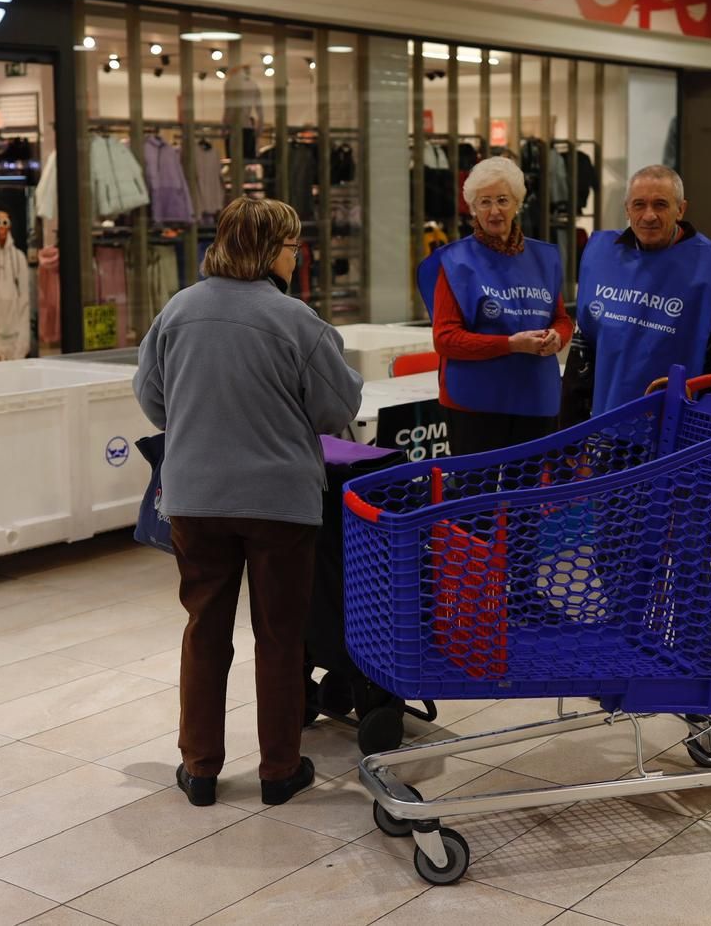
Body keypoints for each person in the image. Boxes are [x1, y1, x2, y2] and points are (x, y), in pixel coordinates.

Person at [133, 196, 363, 809]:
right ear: (269, 251)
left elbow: (150, 396)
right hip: (278, 503)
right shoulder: (297, 321)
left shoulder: (177, 312)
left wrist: (199, 421)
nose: (297, 257)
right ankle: (279, 769)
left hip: (195, 499)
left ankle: (200, 768)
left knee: (204, 628)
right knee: (281, 635)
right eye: (292, 247)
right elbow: (340, 409)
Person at [561, 165, 711, 424]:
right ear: (626, 209)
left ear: (681, 209)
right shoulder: (601, 259)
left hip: (678, 435)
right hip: (605, 429)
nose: (649, 216)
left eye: (660, 205)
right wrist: (569, 434)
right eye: (639, 205)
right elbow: (582, 352)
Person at [417, 156, 572, 456]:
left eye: (502, 200)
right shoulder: (455, 262)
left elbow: (563, 319)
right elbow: (445, 339)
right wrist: (511, 344)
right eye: (484, 202)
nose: (494, 210)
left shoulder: (544, 259)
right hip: (474, 402)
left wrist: (558, 337)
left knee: (525, 495)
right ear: (473, 208)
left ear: (518, 202)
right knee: (477, 497)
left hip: (534, 396)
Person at [0, 211, 31, 361]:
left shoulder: (19, 258)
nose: (1, 227)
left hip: (15, 332)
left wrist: (22, 347)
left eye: (5, 222)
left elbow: (24, 301)